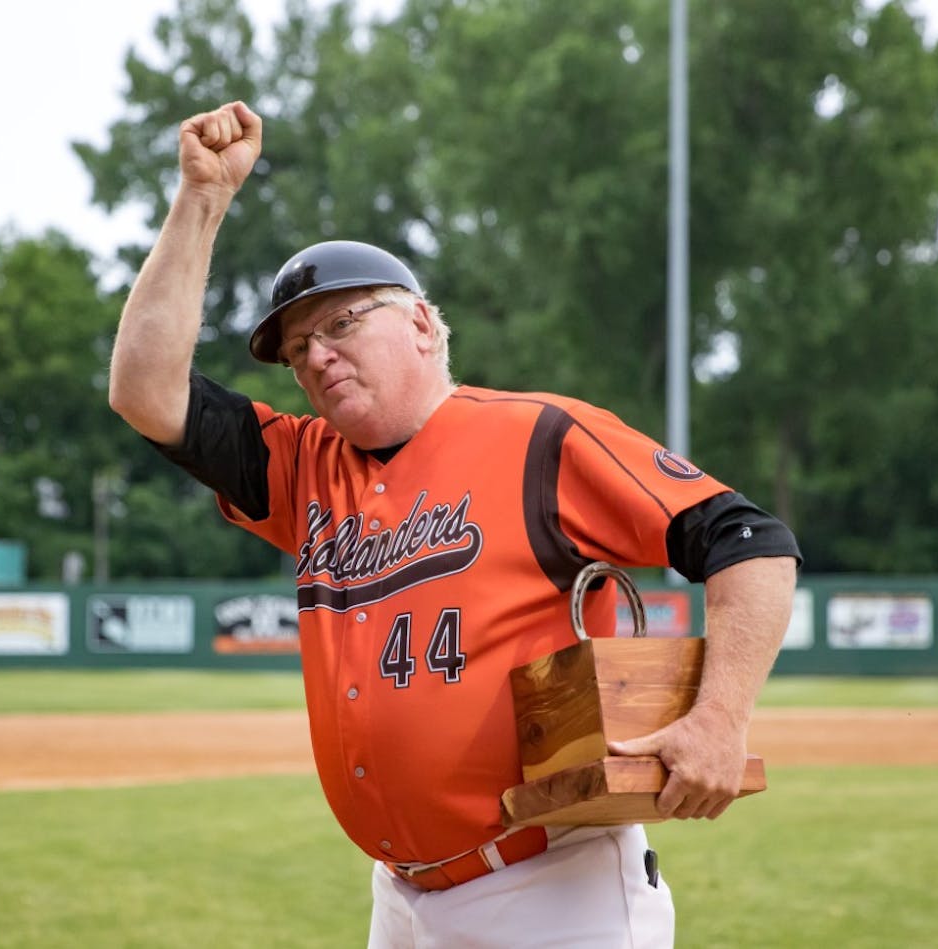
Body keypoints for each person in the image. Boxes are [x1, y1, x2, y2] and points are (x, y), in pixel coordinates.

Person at [108, 100, 801, 948]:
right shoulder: (303, 466)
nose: (317, 355)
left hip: (553, 885)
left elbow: (748, 541)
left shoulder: (538, 436)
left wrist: (722, 716)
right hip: (399, 898)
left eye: (341, 323)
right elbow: (144, 391)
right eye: (298, 352)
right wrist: (202, 200)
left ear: (424, 324)